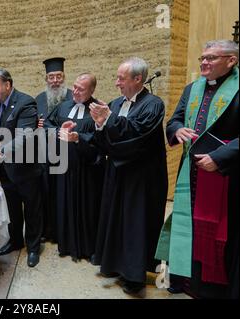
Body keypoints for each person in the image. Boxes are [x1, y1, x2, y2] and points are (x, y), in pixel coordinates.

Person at [156, 40, 239, 299]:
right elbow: (175, 119)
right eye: (202, 58)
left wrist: (220, 158)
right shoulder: (193, 88)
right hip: (190, 172)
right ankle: (185, 279)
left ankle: (212, 288)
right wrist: (177, 129)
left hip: (226, 176)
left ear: (231, 61)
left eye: (211, 58)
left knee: (218, 232)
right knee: (187, 226)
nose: (204, 62)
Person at [86, 57, 168, 295]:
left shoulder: (153, 104)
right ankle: (113, 264)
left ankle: (134, 274)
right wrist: (100, 125)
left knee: (135, 223)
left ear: (138, 79)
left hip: (141, 176)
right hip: (117, 172)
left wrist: (108, 119)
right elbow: (105, 140)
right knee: (115, 218)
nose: (116, 83)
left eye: (121, 78)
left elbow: (138, 134)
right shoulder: (115, 103)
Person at [0, 68, 43, 267]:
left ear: (7, 85)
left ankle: (34, 247)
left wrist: (0, 152)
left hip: (26, 169)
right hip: (6, 170)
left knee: (32, 211)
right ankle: (16, 240)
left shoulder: (26, 102)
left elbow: (25, 136)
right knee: (12, 209)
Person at [44, 73, 104, 262]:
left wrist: (78, 138)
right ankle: (66, 243)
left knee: (86, 207)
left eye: (81, 89)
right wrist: (59, 130)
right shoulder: (63, 105)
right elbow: (47, 124)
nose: (75, 92)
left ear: (92, 91)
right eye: (75, 87)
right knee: (63, 203)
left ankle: (87, 248)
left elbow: (102, 139)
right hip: (63, 166)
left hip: (86, 170)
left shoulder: (98, 110)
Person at [35, 57, 73, 243]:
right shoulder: (39, 99)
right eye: (51, 77)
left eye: (59, 76)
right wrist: (37, 125)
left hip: (67, 154)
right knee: (45, 193)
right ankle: (46, 231)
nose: (55, 80)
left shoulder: (74, 97)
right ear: (46, 79)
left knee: (64, 195)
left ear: (64, 77)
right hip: (44, 155)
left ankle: (64, 232)